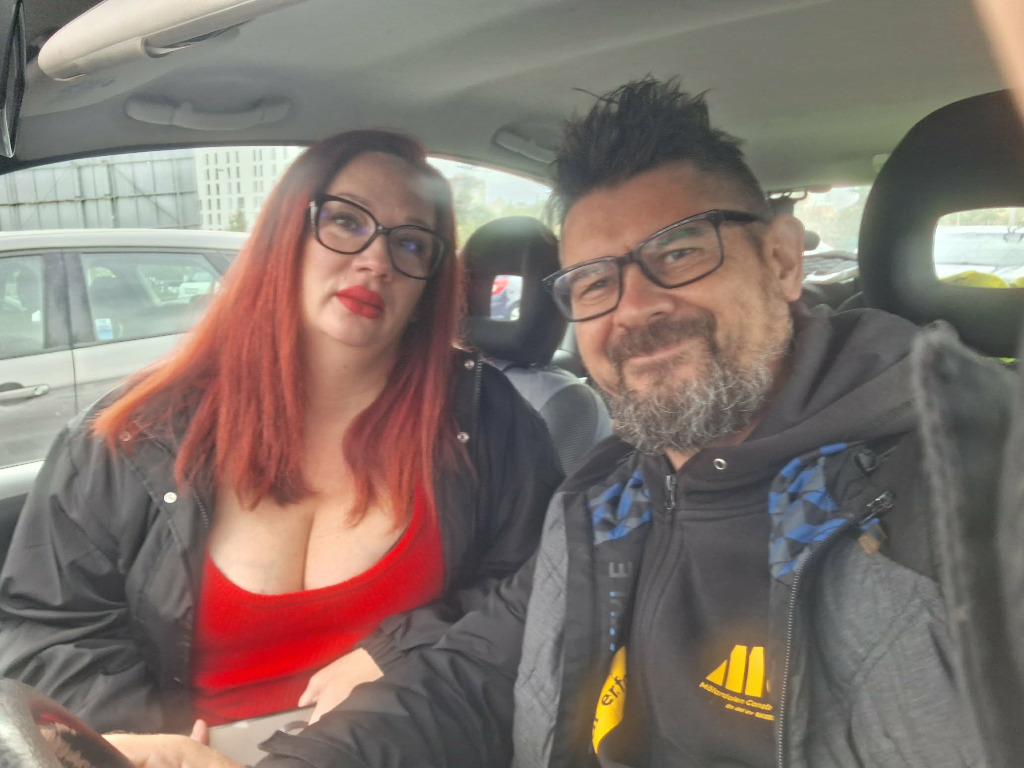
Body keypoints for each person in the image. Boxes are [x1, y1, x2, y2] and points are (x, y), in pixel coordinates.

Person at [108, 79, 1015, 768]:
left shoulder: (971, 491)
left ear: (781, 261)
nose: (636, 307)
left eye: (679, 251)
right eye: (594, 281)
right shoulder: (607, 498)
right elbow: (474, 671)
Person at [0, 129, 562, 736]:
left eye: (410, 243)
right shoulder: (132, 435)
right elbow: (48, 631)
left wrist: (408, 650)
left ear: (430, 282)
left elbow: (542, 586)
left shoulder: (485, 418)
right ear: (284, 234)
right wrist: (150, 749)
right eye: (345, 221)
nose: (376, 261)